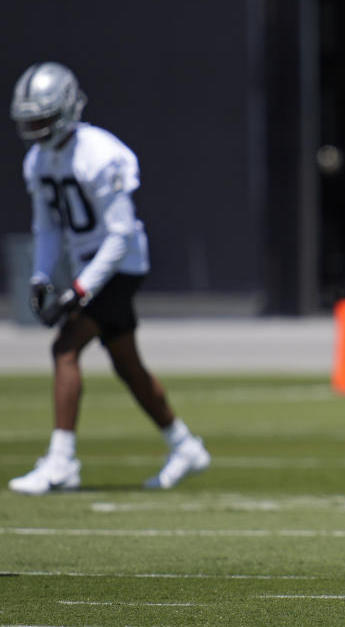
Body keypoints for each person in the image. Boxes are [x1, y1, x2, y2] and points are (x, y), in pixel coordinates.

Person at [7, 62, 210, 495]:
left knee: (65, 347)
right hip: (90, 268)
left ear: (63, 110)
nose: (35, 127)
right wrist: (42, 277)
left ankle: (61, 462)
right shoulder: (39, 160)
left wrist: (79, 291)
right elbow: (47, 227)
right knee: (127, 365)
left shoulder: (100, 154)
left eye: (42, 117)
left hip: (120, 266)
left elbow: (119, 237)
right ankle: (185, 445)